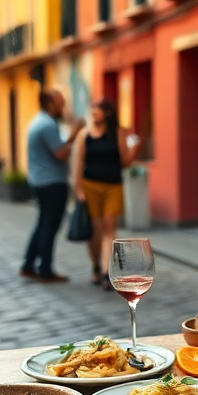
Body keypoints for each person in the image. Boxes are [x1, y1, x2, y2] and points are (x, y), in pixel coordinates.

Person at [74, 99, 138, 290]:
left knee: (110, 230)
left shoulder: (116, 134)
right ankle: (95, 265)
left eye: (98, 109)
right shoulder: (84, 134)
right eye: (92, 109)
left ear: (107, 113)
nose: (94, 112)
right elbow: (78, 162)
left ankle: (105, 272)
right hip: (90, 186)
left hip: (113, 187)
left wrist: (134, 149)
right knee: (95, 231)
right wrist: (78, 189)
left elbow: (125, 163)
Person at [22, 90, 85, 283]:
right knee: (49, 226)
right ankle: (45, 269)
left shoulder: (39, 121)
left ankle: (28, 264)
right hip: (52, 183)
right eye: (61, 103)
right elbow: (60, 154)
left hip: (41, 181)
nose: (63, 106)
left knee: (43, 224)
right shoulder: (48, 125)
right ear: (50, 104)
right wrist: (74, 133)